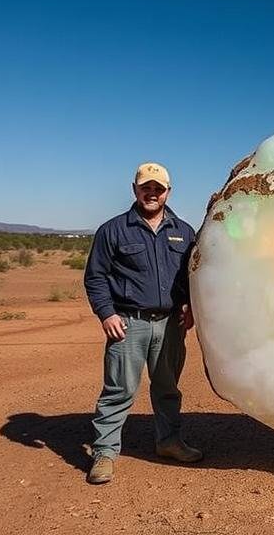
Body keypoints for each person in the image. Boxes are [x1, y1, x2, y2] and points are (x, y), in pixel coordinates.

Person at [82, 162, 202, 485]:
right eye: (146, 187)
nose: (152, 193)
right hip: (128, 323)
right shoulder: (113, 230)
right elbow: (95, 277)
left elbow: (193, 277)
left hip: (170, 325)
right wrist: (106, 313)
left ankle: (169, 442)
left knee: (167, 388)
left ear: (168, 192)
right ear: (135, 190)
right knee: (119, 390)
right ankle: (105, 452)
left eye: (158, 189)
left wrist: (192, 306)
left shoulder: (184, 231)